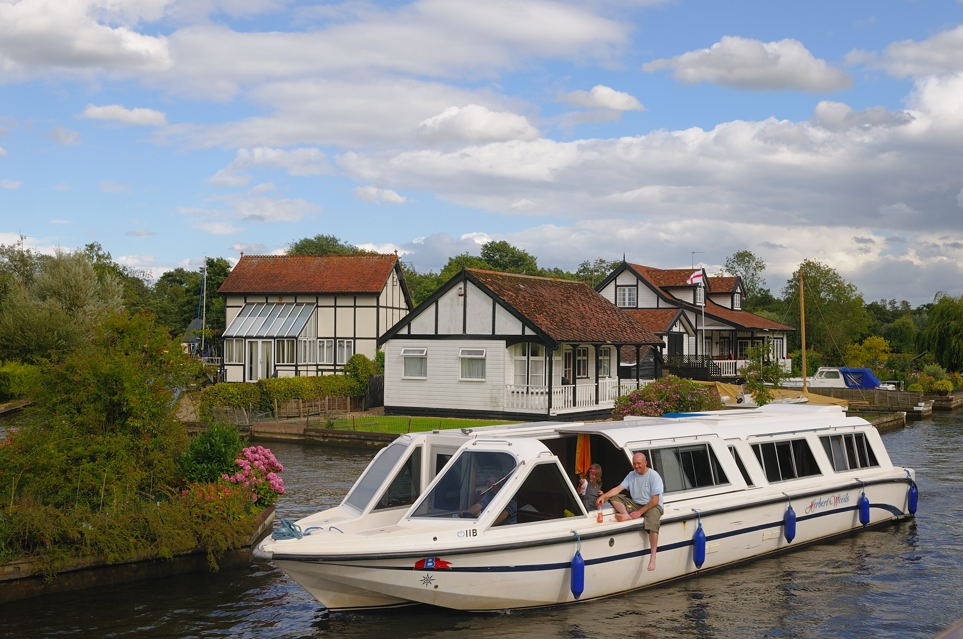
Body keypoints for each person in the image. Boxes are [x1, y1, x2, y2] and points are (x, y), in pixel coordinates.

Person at [595, 452, 664, 571]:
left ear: (645, 463)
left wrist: (639, 512)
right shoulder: (631, 475)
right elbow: (618, 489)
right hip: (636, 504)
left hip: (653, 506)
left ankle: (653, 557)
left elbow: (655, 500)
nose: (636, 466)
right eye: (634, 464)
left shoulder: (654, 476)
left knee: (653, 523)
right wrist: (604, 496)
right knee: (614, 497)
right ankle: (626, 515)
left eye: (639, 464)